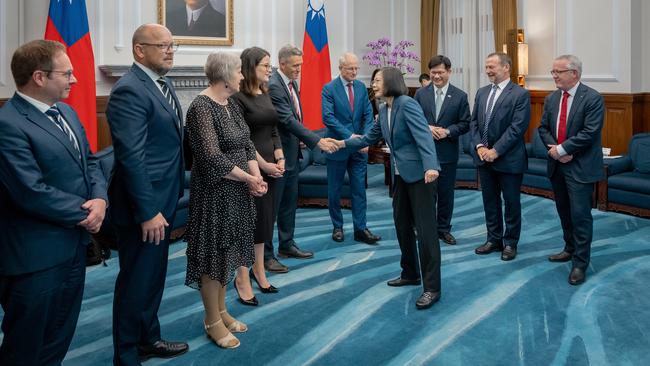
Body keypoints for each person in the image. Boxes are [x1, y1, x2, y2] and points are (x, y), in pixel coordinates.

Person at [0, 39, 107, 365]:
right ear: (39, 77)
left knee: (59, 333)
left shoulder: (68, 112)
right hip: (35, 258)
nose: (74, 80)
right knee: (26, 344)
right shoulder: (8, 124)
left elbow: (90, 162)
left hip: (73, 248)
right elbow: (29, 190)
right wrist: (86, 213)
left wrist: (100, 198)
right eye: (67, 73)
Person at [106, 24, 188, 365]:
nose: (170, 51)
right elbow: (132, 158)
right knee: (135, 280)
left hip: (163, 201)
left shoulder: (162, 84)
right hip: (144, 208)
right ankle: (126, 354)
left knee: (152, 277)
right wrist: (148, 211)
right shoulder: (129, 90)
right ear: (140, 50)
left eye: (173, 45)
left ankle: (148, 338)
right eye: (163, 46)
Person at [184, 51, 267, 348]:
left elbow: (246, 144)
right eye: (238, 71)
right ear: (224, 74)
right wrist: (248, 179)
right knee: (213, 257)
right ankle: (212, 320)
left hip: (237, 192)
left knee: (229, 253)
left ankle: (221, 310)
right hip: (214, 194)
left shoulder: (230, 103)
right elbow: (209, 158)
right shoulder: (201, 108)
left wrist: (255, 176)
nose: (243, 76)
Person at [342, 67, 442, 310]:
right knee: (401, 225)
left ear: (391, 83)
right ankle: (410, 273)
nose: (373, 85)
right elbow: (368, 138)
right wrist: (341, 143)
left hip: (421, 176)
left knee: (426, 232)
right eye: (373, 80)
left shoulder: (407, 104)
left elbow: (424, 136)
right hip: (401, 177)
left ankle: (432, 287)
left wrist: (431, 166)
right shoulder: (384, 108)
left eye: (377, 81)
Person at [264, 45, 338, 273]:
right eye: (295, 65)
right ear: (282, 63)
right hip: (277, 156)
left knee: (289, 203)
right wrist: (316, 140)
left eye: (300, 65)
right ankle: (266, 255)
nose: (299, 69)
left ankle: (287, 244)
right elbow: (286, 120)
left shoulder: (290, 82)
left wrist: (304, 141)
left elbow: (295, 116)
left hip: (293, 154)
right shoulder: (275, 85)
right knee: (272, 208)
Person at [538, 55, 604, 285]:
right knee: (564, 211)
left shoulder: (592, 98)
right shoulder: (551, 98)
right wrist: (555, 150)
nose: (554, 75)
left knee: (580, 216)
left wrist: (564, 149)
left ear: (574, 73)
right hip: (557, 165)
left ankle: (580, 263)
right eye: (553, 71)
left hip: (580, 167)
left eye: (558, 72)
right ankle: (569, 247)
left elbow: (590, 132)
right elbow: (543, 128)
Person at [231, 46, 284, 304]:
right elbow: (242, 140)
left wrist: (280, 156)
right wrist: (263, 166)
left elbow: (274, 129)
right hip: (250, 169)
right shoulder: (237, 98)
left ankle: (259, 271)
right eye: (265, 65)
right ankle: (241, 277)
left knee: (264, 223)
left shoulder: (265, 92)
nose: (270, 69)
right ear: (251, 67)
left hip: (272, 167)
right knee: (248, 224)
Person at [470, 52, 530, 261]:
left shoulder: (520, 94)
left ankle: (510, 243)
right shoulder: (482, 92)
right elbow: (474, 123)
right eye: (486, 67)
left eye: (492, 67)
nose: (488, 71)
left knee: (512, 203)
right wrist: (479, 146)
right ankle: (493, 239)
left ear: (506, 68)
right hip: (484, 157)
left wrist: (496, 151)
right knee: (490, 201)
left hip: (508, 159)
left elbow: (517, 128)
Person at [322, 52, 381, 245]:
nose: (355, 72)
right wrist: (350, 136)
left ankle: (360, 228)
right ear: (340, 68)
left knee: (359, 190)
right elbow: (328, 117)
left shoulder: (362, 88)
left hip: (359, 149)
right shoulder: (329, 88)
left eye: (356, 68)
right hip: (337, 147)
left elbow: (368, 115)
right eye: (350, 68)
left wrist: (363, 140)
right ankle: (337, 226)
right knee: (335, 190)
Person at [414, 55, 470, 245]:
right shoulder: (420, 94)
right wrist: (428, 128)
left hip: (447, 153)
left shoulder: (460, 96)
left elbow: (465, 124)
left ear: (449, 72)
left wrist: (447, 131)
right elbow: (414, 120)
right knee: (425, 194)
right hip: (424, 153)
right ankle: (425, 227)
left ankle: (443, 229)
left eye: (440, 72)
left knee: (446, 194)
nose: (437, 76)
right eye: (433, 73)